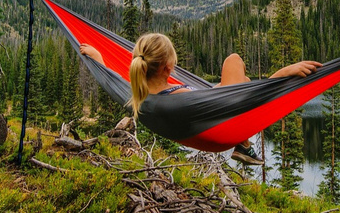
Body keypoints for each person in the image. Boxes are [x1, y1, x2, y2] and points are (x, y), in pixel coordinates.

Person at [81, 33, 322, 165]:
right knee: (233, 60)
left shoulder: (137, 94)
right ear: (167, 67)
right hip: (220, 132)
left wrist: (98, 58)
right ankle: (244, 144)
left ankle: (245, 144)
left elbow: (112, 79)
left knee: (244, 80)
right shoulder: (179, 100)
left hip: (203, 119)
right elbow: (243, 103)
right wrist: (281, 76)